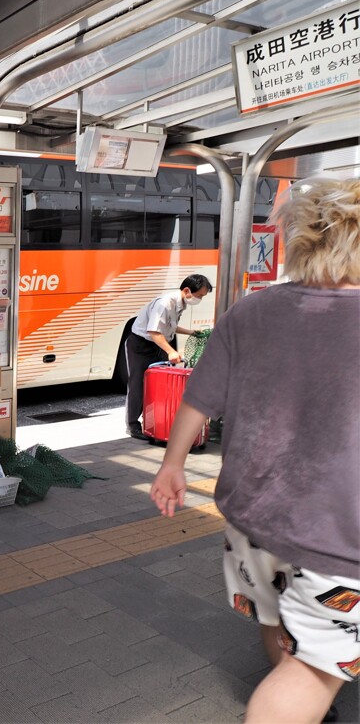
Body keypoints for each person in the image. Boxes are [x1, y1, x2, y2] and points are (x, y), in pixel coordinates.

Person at [149, 177, 360, 723]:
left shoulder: (253, 311)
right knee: (313, 671)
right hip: (336, 534)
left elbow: (199, 394)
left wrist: (172, 465)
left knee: (273, 616)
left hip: (250, 516)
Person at [124, 273, 212, 439]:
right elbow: (154, 330)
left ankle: (153, 423)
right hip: (140, 345)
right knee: (137, 384)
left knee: (156, 385)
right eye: (199, 295)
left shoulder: (180, 303)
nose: (199, 299)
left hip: (158, 343)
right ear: (187, 290)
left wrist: (191, 331)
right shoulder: (165, 304)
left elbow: (169, 327)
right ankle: (133, 426)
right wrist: (171, 351)